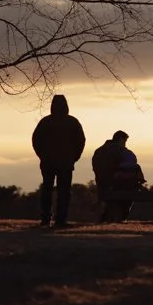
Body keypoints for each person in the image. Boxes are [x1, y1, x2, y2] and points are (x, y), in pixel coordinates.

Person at [32, 94, 87, 228]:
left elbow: (36, 140)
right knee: (64, 191)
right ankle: (60, 220)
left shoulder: (46, 122)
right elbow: (81, 141)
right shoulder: (72, 122)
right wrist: (74, 157)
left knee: (47, 189)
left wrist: (42, 156)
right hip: (65, 162)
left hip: (48, 162)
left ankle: (45, 219)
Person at [93, 131, 144, 222]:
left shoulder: (98, 151)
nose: (125, 144)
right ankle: (120, 219)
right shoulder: (122, 152)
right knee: (125, 197)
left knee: (110, 203)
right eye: (125, 141)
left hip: (101, 184)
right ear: (121, 140)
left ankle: (107, 219)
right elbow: (130, 167)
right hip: (118, 185)